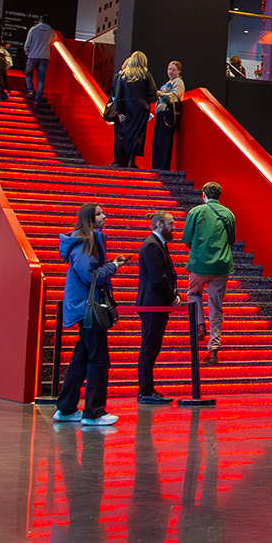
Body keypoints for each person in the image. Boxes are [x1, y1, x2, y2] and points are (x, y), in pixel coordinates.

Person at [54, 204, 124, 425]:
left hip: (84, 307)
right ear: (89, 218)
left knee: (82, 358)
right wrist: (113, 266)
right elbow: (90, 275)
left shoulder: (83, 241)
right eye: (99, 213)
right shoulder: (86, 242)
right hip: (89, 308)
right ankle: (94, 412)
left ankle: (66, 408)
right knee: (98, 359)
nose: (104, 216)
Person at [183, 182, 235, 362]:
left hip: (199, 264)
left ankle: (199, 325)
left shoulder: (196, 212)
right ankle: (213, 349)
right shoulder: (228, 213)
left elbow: (186, 238)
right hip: (222, 265)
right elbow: (232, 239)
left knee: (193, 294)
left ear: (203, 194)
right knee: (216, 306)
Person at [135, 209, 177, 404]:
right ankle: (145, 390)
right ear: (159, 224)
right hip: (152, 304)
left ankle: (147, 389)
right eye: (170, 223)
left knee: (152, 347)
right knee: (149, 347)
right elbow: (157, 277)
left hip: (155, 304)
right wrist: (172, 297)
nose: (173, 227)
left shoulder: (157, 244)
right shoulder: (152, 245)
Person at [109, 51, 157, 169]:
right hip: (141, 109)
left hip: (126, 109)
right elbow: (153, 92)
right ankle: (132, 160)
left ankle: (121, 161)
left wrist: (118, 111)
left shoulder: (123, 75)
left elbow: (118, 95)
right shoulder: (146, 75)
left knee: (124, 134)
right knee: (138, 135)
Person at [150, 61, 186, 171]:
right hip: (161, 113)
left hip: (168, 113)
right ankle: (156, 166)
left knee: (164, 140)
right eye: (169, 69)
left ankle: (162, 166)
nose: (171, 71)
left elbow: (175, 95)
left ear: (179, 71)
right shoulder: (167, 83)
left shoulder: (178, 82)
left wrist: (162, 94)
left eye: (173, 69)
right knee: (158, 141)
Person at [23, 14, 55, 103]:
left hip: (32, 56)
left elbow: (28, 44)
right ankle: (38, 97)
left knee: (28, 73)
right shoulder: (51, 32)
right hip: (45, 57)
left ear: (40, 20)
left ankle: (31, 90)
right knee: (41, 79)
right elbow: (52, 42)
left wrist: (27, 51)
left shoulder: (33, 29)